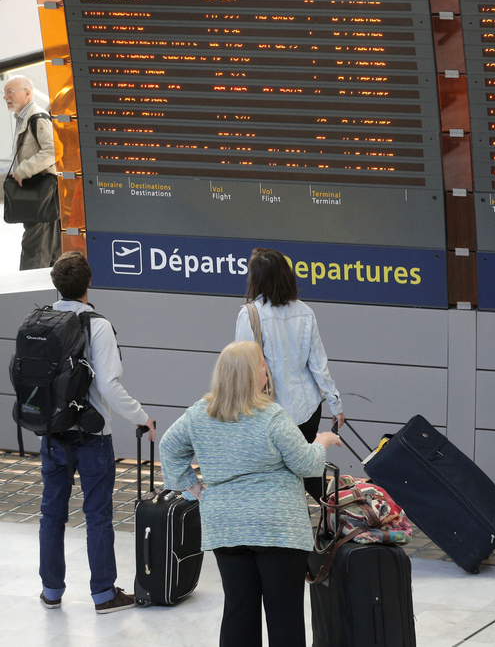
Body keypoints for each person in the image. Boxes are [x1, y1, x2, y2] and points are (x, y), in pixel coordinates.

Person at [159, 340, 344, 647]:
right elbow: (307, 464)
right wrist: (323, 439)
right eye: (261, 362)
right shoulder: (272, 416)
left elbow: (169, 447)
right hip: (277, 528)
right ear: (250, 373)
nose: (266, 368)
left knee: (238, 611)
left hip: (226, 526)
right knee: (284, 616)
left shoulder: (199, 415)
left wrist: (196, 490)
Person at [40, 251, 154, 613]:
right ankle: (104, 594)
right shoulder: (97, 325)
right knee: (98, 516)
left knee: (51, 513)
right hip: (91, 436)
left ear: (56, 284)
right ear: (88, 283)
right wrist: (141, 417)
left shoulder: (43, 319)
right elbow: (108, 386)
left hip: (52, 433)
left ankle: (51, 591)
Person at [235, 247, 345, 501]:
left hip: (270, 413)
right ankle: (331, 525)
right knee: (310, 469)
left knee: (277, 479)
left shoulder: (250, 314)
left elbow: (243, 368)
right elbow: (319, 365)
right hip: (307, 410)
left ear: (257, 279)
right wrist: (335, 404)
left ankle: (290, 530)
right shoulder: (305, 312)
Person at [4, 75, 61, 270]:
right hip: (38, 193)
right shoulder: (25, 119)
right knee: (49, 249)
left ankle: (31, 295)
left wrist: (23, 170)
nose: (5, 97)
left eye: (10, 92)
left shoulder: (37, 118)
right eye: (4, 93)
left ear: (28, 93)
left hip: (41, 191)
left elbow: (54, 150)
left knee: (35, 249)